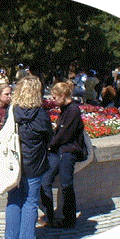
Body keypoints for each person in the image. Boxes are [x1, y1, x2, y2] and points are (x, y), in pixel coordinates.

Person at [4, 76, 53, 239]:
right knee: (30, 203)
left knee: (14, 201)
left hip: (15, 164)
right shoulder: (41, 115)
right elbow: (50, 138)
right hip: (34, 163)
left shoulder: (13, 112)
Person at [39, 81, 85, 229]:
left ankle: (69, 218)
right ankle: (49, 216)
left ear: (63, 95)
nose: (53, 100)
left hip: (67, 151)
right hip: (58, 150)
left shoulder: (73, 110)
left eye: (55, 97)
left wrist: (49, 144)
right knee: (45, 181)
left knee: (66, 185)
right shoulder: (65, 109)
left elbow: (64, 135)